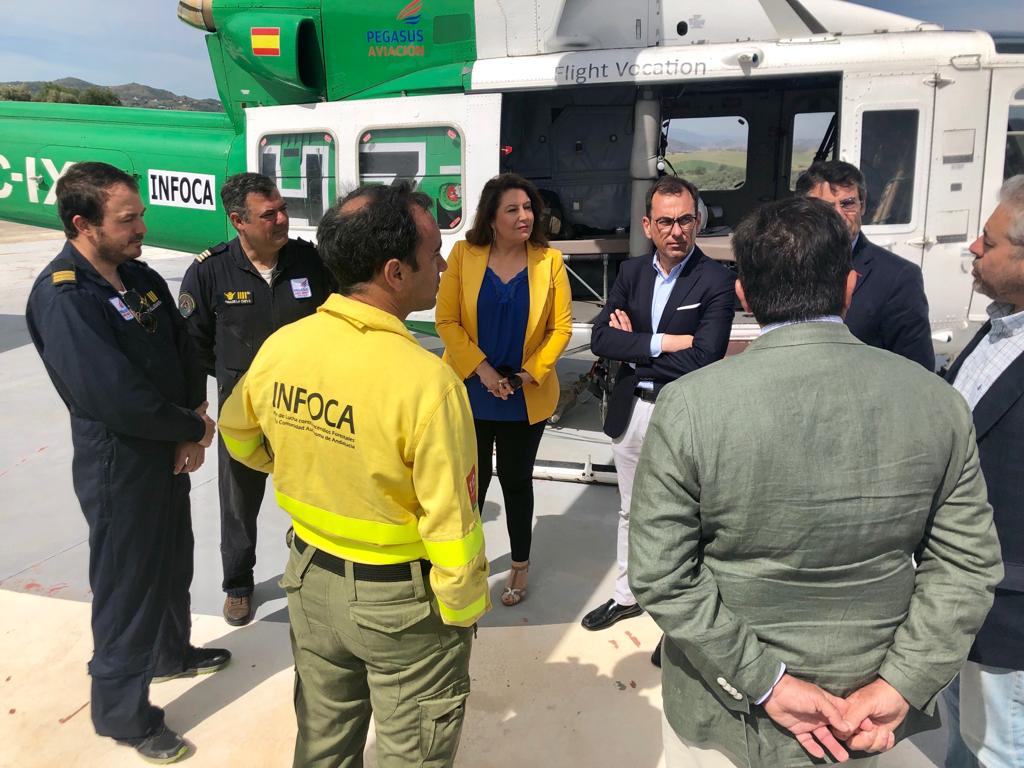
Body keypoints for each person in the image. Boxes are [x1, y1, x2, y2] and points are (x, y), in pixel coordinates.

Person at [628, 196, 1003, 767]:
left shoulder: (689, 406)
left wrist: (768, 682)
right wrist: (903, 682)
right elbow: (967, 564)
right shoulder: (938, 402)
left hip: (728, 717)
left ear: (743, 295)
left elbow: (661, 573)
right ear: (849, 287)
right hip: (868, 716)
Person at [218, 183, 489, 767]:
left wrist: (294, 461)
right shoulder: (428, 383)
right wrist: (462, 614)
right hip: (401, 607)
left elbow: (236, 432)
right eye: (434, 254)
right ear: (395, 272)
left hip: (309, 581)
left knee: (324, 743)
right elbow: (452, 523)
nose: (443, 266)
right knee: (412, 752)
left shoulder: (283, 346)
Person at [25, 161, 230, 764]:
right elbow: (111, 395)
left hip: (168, 445)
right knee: (128, 583)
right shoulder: (65, 296)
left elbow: (183, 347)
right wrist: (190, 428)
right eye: (127, 219)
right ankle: (121, 714)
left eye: (139, 214)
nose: (141, 227)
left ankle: (170, 653)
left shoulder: (138, 276)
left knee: (172, 560)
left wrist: (193, 417)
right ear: (82, 224)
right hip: (121, 462)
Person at [178, 172, 334, 627]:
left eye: (283, 209)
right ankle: (238, 585)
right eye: (269, 214)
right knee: (238, 503)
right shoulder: (210, 271)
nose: (282, 219)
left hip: (307, 409)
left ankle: (317, 571)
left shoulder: (308, 260)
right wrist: (237, 381)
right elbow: (193, 345)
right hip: (243, 415)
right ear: (238, 221)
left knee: (317, 493)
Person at [581, 175, 735, 634]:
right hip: (632, 411)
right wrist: (664, 342)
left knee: (685, 515)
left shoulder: (716, 280)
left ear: (697, 222)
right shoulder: (631, 273)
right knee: (631, 509)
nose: (676, 231)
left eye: (685, 220)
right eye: (665, 222)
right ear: (648, 225)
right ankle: (627, 595)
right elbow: (601, 339)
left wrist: (634, 347)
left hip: (680, 414)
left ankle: (679, 617)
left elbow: (705, 357)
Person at [435, 173, 572, 606]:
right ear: (491, 218)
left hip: (524, 394)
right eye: (512, 209)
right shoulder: (463, 255)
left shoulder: (549, 261)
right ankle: (469, 562)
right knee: (471, 485)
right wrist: (484, 372)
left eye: (528, 208)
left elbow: (561, 328)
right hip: (472, 389)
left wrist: (525, 375)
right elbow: (446, 320)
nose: (524, 216)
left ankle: (519, 565)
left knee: (516, 480)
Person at [943, 175, 1024, 768]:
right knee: (964, 739)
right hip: (959, 595)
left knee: (1001, 748)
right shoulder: (997, 331)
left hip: (1009, 610)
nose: (973, 248)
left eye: (989, 243)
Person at [796, 160, 935, 369]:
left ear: (862, 205)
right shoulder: (787, 265)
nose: (839, 215)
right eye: (826, 207)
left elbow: (917, 368)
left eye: (848, 204)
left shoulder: (898, 278)